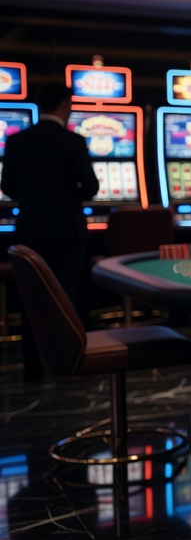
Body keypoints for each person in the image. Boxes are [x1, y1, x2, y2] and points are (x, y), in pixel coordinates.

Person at [3, 84, 99, 379]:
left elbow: (7, 187)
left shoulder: (18, 141)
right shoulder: (73, 141)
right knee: (63, 297)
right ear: (64, 104)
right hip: (67, 231)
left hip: (29, 228)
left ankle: (32, 363)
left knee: (32, 296)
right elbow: (92, 188)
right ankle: (64, 364)